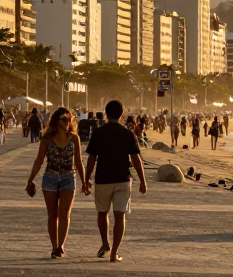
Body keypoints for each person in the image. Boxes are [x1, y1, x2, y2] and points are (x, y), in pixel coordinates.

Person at [83, 100, 146, 263]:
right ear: (121, 114)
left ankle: (105, 243)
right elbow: (136, 159)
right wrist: (143, 180)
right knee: (120, 216)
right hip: (122, 179)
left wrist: (86, 178)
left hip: (102, 179)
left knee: (102, 213)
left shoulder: (98, 132)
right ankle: (114, 253)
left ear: (106, 113)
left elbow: (92, 158)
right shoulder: (127, 133)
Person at [24, 107, 86, 258]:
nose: (68, 122)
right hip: (50, 178)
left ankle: (61, 245)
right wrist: (30, 180)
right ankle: (54, 246)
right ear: (56, 121)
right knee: (52, 215)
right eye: (64, 119)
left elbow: (78, 161)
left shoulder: (74, 138)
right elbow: (39, 161)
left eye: (70, 119)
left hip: (68, 177)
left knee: (64, 213)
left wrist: (85, 181)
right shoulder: (46, 139)